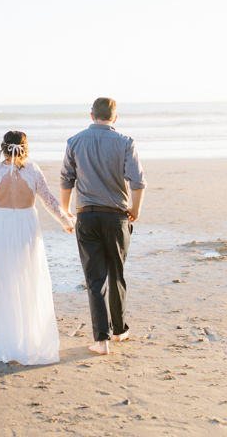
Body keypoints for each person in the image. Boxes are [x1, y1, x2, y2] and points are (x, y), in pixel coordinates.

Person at [0, 130, 75, 365]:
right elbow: (49, 201)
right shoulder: (33, 171)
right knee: (27, 281)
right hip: (26, 229)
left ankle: (4, 341)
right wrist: (67, 221)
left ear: (2, 148)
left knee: (1, 284)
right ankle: (27, 339)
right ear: (25, 148)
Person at [60, 97, 146, 355]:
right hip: (117, 216)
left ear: (91, 115)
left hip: (86, 216)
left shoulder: (74, 141)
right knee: (117, 274)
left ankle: (101, 340)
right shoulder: (125, 142)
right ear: (114, 118)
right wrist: (135, 210)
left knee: (95, 279)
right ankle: (119, 331)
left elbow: (67, 180)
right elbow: (138, 182)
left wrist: (66, 213)